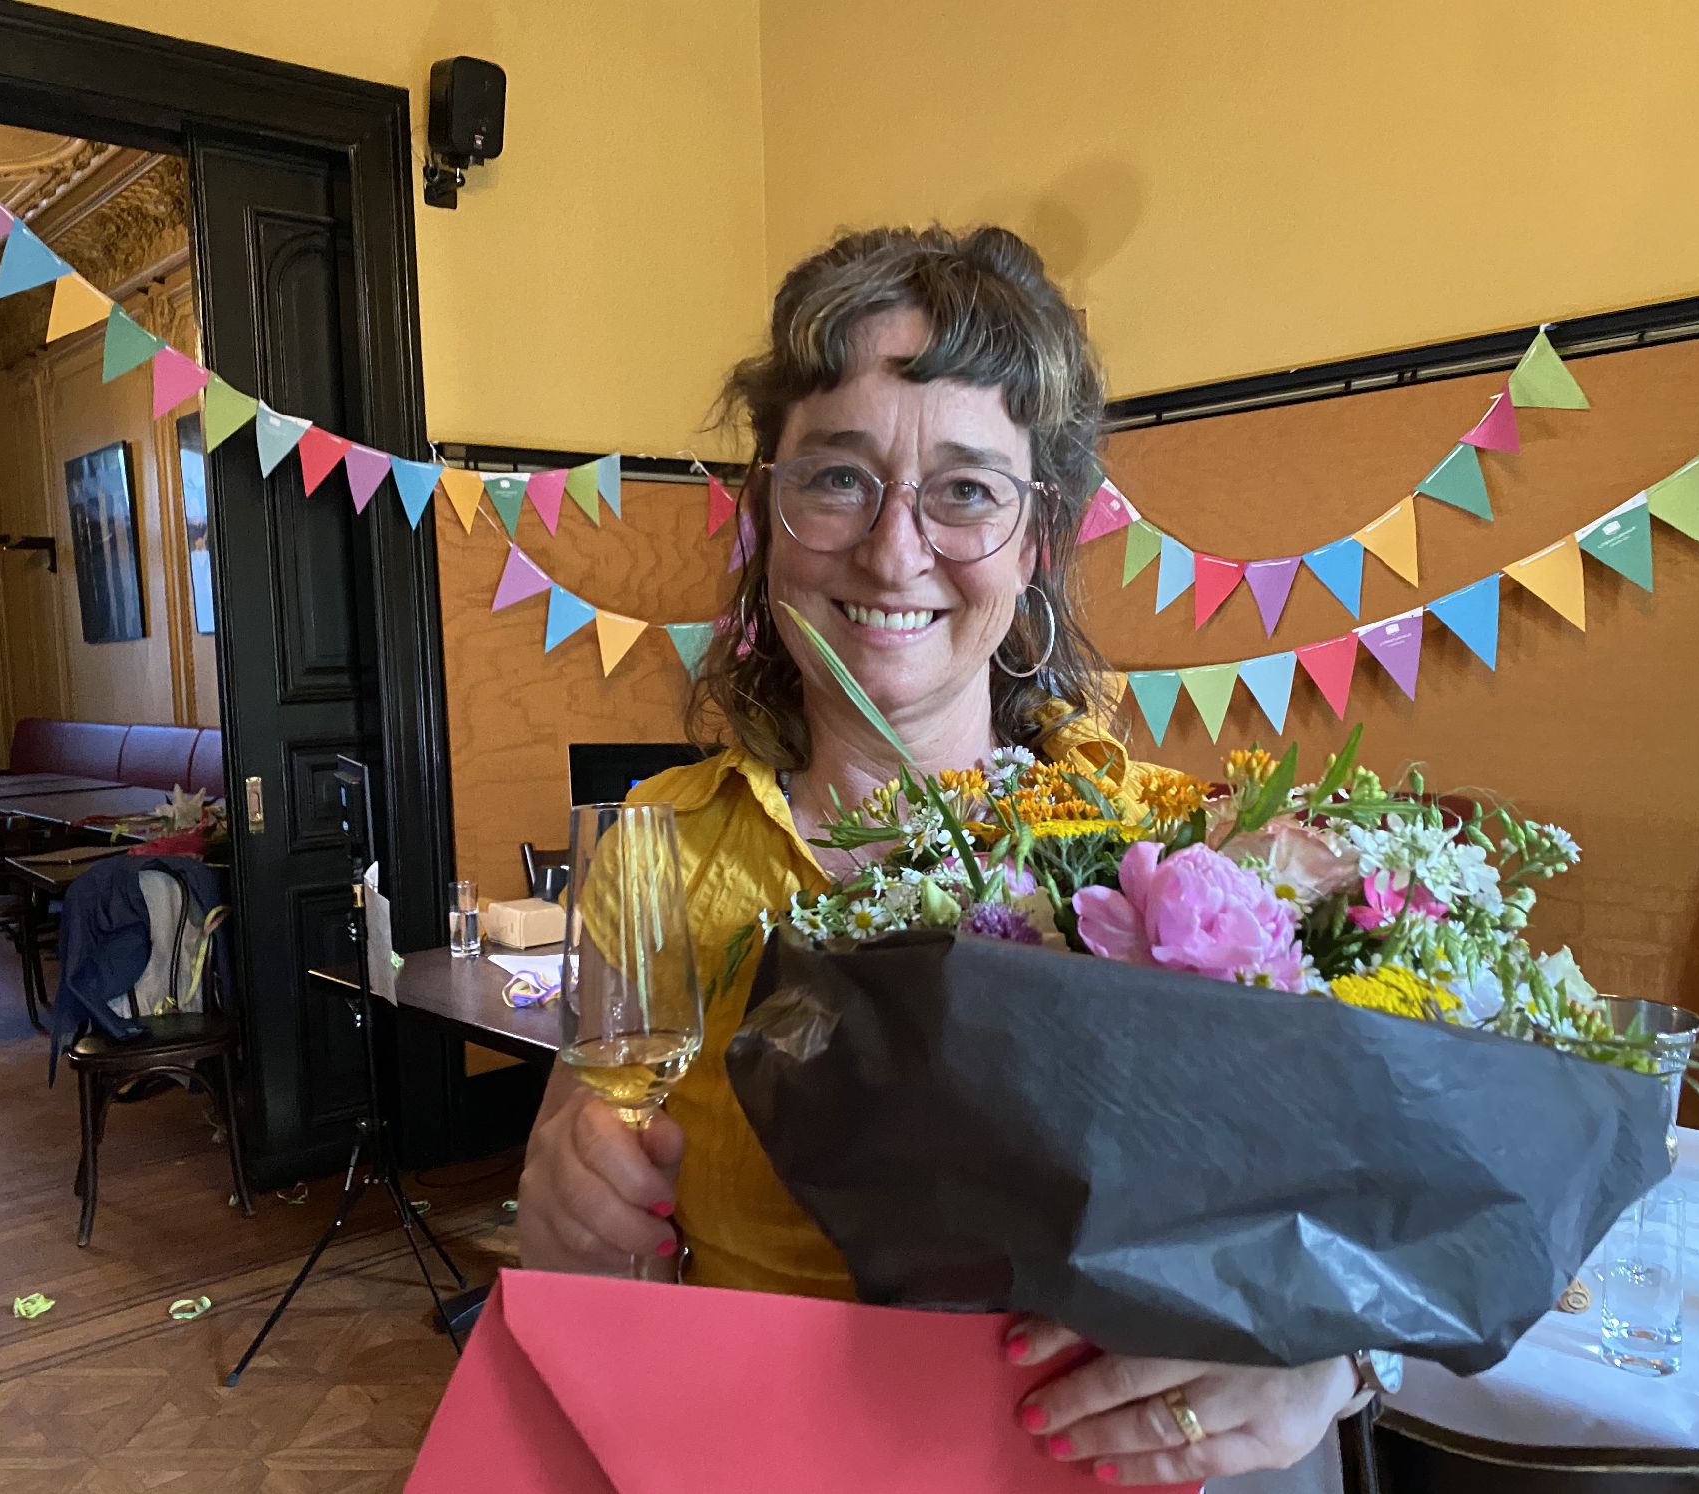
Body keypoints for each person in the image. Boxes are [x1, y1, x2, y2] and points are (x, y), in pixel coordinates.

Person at [518, 225, 1366, 1487]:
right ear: (767, 514)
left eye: (965, 491)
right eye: (838, 477)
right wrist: (560, 1224)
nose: (893, 551)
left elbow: (1391, 1214)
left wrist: (1332, 1357)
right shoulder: (657, 847)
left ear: (1036, 545)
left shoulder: (1182, 858)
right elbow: (583, 1232)